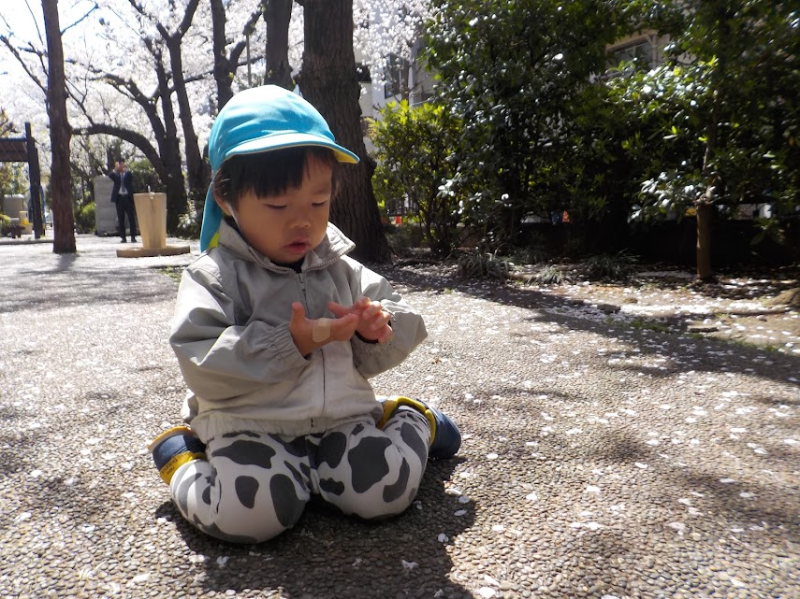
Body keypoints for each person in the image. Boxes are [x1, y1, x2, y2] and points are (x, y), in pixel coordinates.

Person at [147, 85, 461, 544]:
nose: (303, 221)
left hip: (341, 421)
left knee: (385, 492)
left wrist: (377, 328)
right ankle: (179, 455)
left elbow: (400, 317)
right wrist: (290, 343)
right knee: (249, 516)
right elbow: (200, 361)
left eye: (318, 202)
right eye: (278, 205)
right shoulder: (215, 276)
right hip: (251, 427)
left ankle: (414, 418)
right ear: (227, 199)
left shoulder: (342, 268)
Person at [109, 158, 136, 243]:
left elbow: (131, 176)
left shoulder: (128, 174)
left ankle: (133, 237)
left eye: (122, 164)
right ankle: (123, 237)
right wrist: (115, 169)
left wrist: (126, 168)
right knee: (121, 218)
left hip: (128, 197)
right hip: (119, 198)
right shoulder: (116, 175)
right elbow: (110, 176)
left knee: (131, 218)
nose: (121, 166)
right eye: (120, 164)